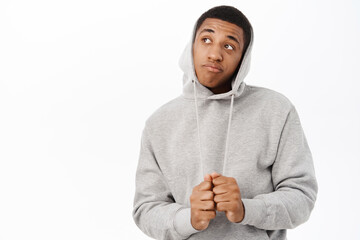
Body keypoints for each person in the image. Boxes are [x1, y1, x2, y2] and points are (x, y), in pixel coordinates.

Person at [132, 5, 318, 240]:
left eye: (229, 46)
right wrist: (188, 219)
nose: (214, 54)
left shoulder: (276, 110)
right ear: (192, 45)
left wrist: (245, 209)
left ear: (243, 58)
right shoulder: (158, 123)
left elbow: (302, 196)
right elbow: (145, 209)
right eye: (207, 39)